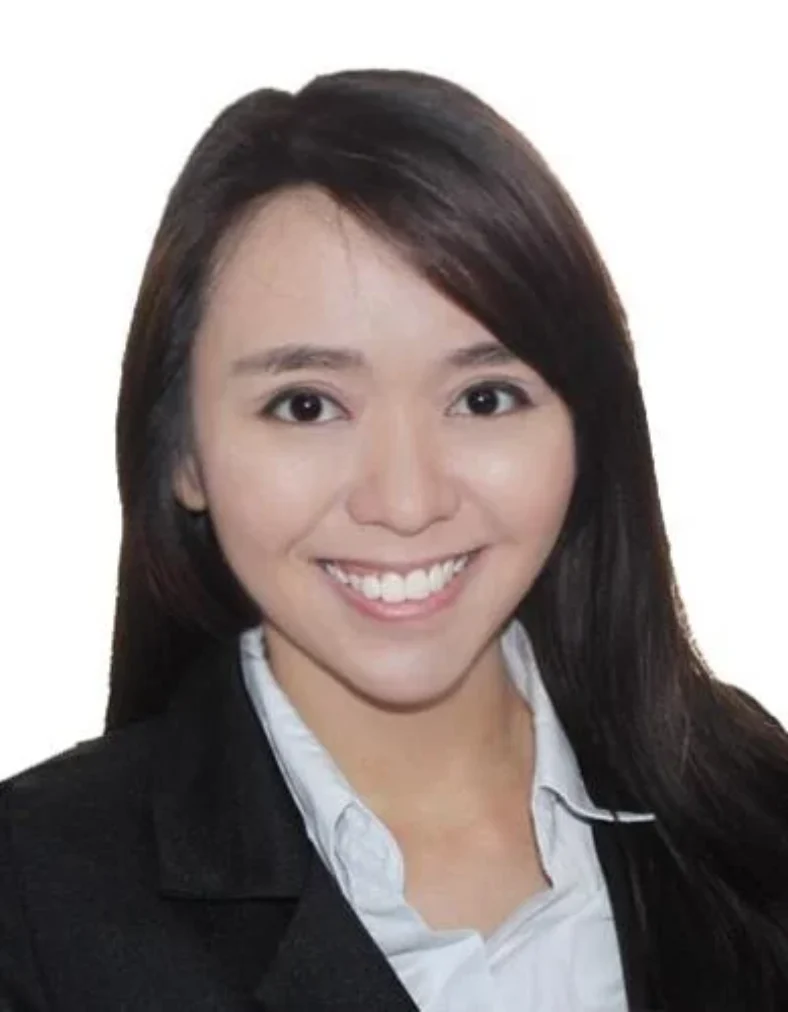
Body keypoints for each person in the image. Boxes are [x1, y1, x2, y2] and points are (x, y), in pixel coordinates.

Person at [1, 68, 786, 1012]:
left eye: (484, 398)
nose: (407, 502)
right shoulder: (33, 902)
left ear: (588, 428)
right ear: (184, 456)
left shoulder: (749, 794)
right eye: (306, 405)